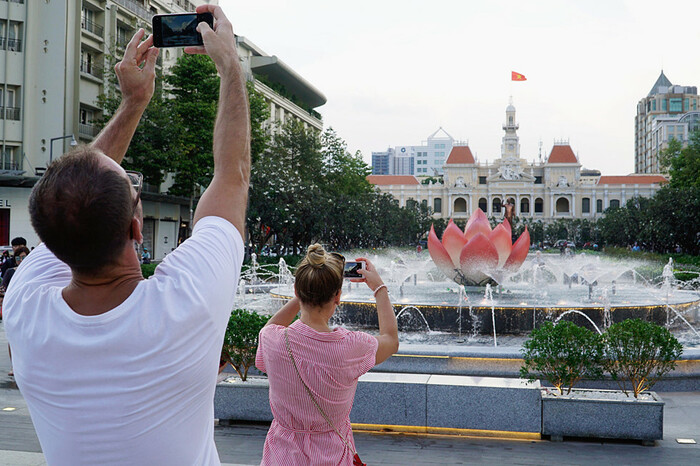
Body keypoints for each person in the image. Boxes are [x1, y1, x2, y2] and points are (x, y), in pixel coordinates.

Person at [4, 5, 250, 465]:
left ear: (50, 244)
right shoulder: (183, 304)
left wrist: (134, 103)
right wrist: (231, 67)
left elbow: (70, 194)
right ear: (138, 228)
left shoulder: (24, 305)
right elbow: (233, 174)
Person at [256, 244, 399, 465]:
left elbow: (269, 327)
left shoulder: (273, 340)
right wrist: (379, 287)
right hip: (333, 456)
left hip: (281, 456)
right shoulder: (350, 347)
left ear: (296, 291)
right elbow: (390, 339)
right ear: (337, 297)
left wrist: (306, 291)